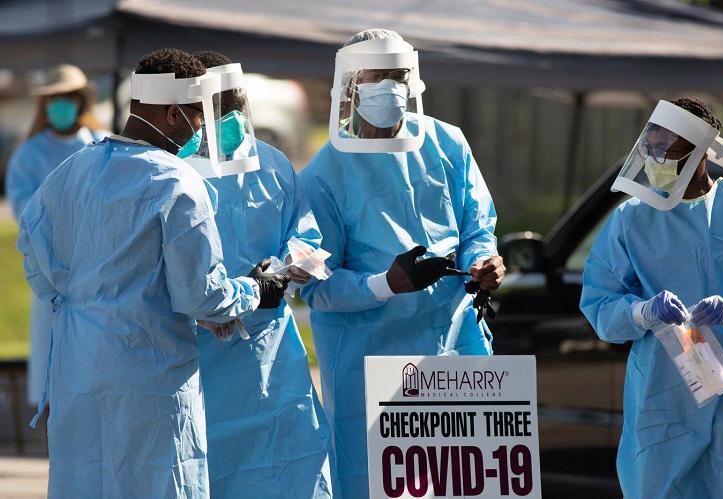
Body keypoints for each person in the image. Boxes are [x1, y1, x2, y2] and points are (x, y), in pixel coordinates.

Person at [16, 48, 288, 499]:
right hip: (150, 377)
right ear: (175, 113)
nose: (202, 132)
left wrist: (80, 304)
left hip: (77, 372)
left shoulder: (69, 172)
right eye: (199, 119)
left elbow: (33, 255)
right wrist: (254, 290)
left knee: (86, 484)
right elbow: (200, 297)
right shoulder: (176, 182)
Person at [299, 29, 505, 498]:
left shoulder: (446, 144)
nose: (390, 86)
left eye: (398, 75)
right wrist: (384, 284)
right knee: (378, 483)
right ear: (350, 85)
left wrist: (483, 262)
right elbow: (315, 286)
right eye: (378, 76)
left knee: (463, 481)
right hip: (369, 363)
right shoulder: (323, 175)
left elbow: (477, 226)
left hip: (454, 344)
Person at [580, 98, 723, 498]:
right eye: (650, 150)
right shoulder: (630, 218)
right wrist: (641, 311)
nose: (657, 162)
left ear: (703, 153)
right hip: (663, 394)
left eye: (668, 153)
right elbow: (600, 301)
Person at [190, 51, 332, 499]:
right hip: (198, 349)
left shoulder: (271, 164)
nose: (229, 118)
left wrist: (290, 264)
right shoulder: (174, 172)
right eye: (218, 108)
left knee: (290, 462)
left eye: (236, 106)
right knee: (205, 467)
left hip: (269, 352)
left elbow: (303, 234)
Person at [5, 63, 107, 406]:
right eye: (54, 99)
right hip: (50, 273)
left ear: (80, 101)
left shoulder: (99, 145)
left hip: (98, 270)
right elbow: (23, 208)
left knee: (96, 368)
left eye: (67, 98)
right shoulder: (29, 153)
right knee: (52, 366)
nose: (60, 105)